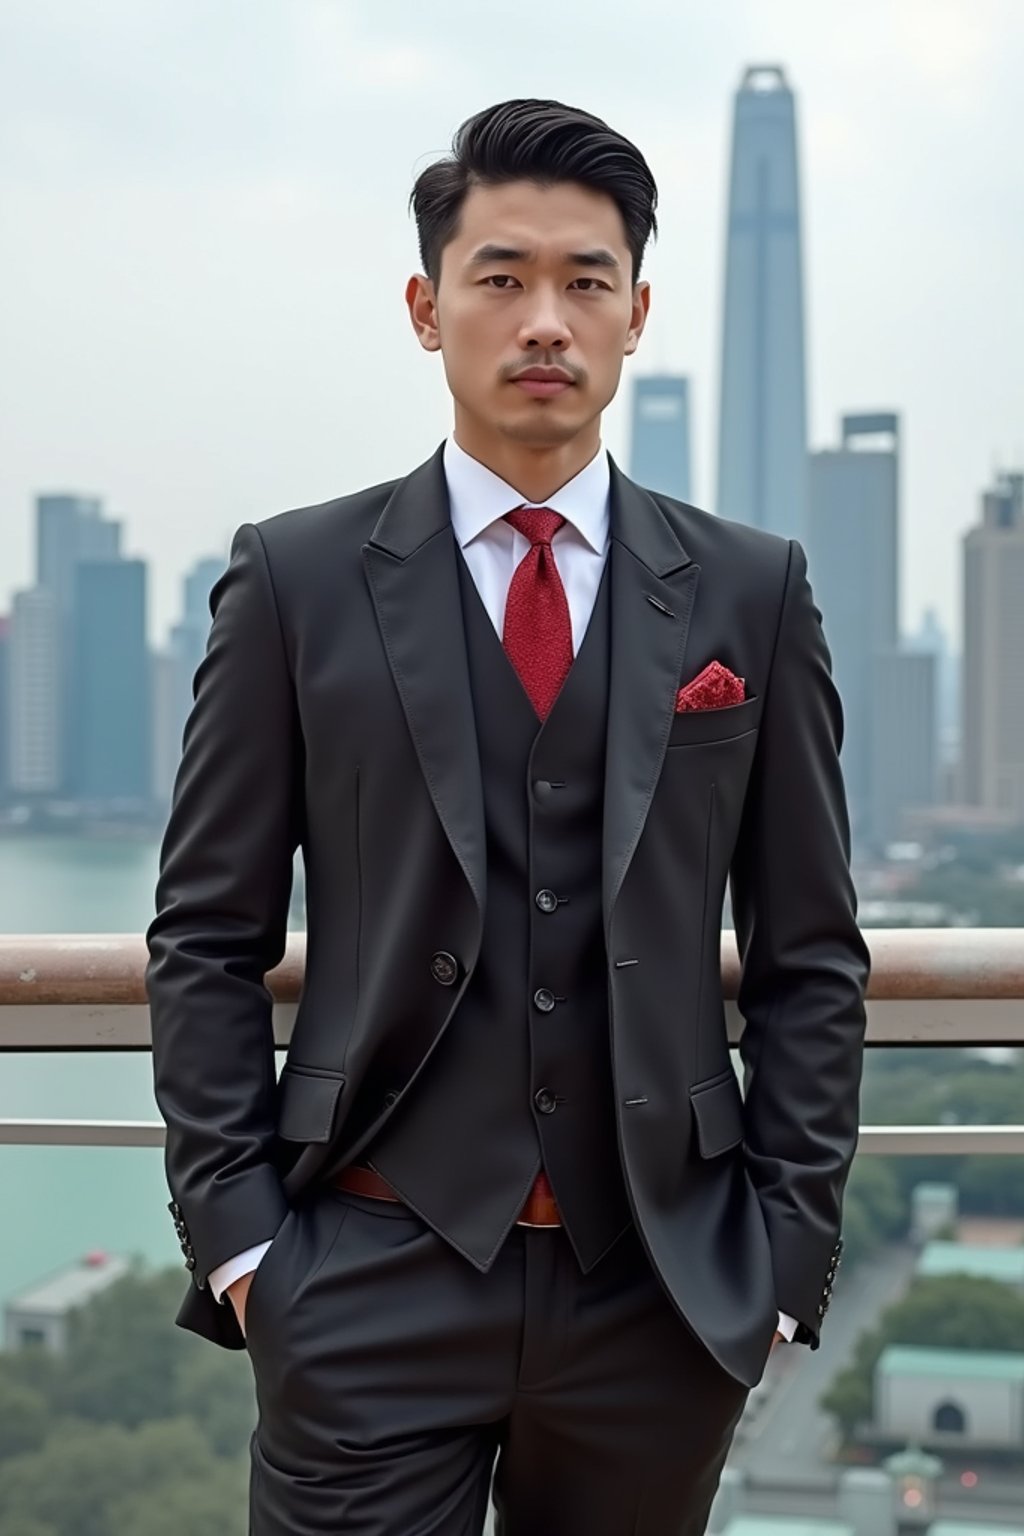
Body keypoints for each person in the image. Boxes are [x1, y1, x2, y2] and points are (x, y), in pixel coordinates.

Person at [146, 97, 870, 1536]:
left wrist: (787, 1255)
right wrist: (242, 1246)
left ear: (637, 313)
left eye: (586, 281)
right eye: (502, 278)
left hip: (660, 1291)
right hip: (360, 1275)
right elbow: (208, 936)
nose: (546, 319)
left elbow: (810, 956)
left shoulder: (752, 592)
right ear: (428, 310)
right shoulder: (295, 582)